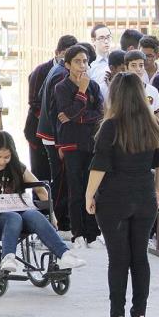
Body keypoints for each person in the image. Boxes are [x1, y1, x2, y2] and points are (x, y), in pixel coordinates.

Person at [85, 72, 159, 317]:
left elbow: (99, 166)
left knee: (118, 257)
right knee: (140, 257)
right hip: (144, 195)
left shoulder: (110, 126)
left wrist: (89, 194)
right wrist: (158, 190)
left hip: (114, 197)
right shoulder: (153, 124)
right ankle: (140, 316)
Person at [0, 131, 86, 272]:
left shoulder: (17, 167)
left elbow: (40, 189)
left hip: (16, 211)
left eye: (6, 157)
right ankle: (8, 258)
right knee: (14, 217)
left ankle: (64, 254)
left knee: (34, 215)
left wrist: (52, 215)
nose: (1, 161)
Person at [54, 45, 104, 249]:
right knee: (75, 188)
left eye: (85, 61)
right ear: (67, 65)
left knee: (92, 188)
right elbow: (67, 113)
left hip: (91, 143)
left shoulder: (94, 86)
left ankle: (93, 233)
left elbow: (100, 113)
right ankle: (78, 233)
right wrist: (81, 92)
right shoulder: (62, 87)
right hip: (72, 144)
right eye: (77, 61)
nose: (82, 65)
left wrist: (78, 116)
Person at [25, 35, 78, 181]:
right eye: (65, 53)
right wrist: (51, 120)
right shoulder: (42, 70)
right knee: (39, 170)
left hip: (55, 130)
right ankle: (39, 201)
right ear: (57, 52)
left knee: (55, 173)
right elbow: (34, 101)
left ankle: (50, 202)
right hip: (39, 128)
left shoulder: (71, 71)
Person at [124, 50, 159, 116]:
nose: (138, 69)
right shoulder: (120, 90)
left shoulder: (153, 91)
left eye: (141, 65)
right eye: (133, 65)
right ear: (126, 68)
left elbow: (156, 118)